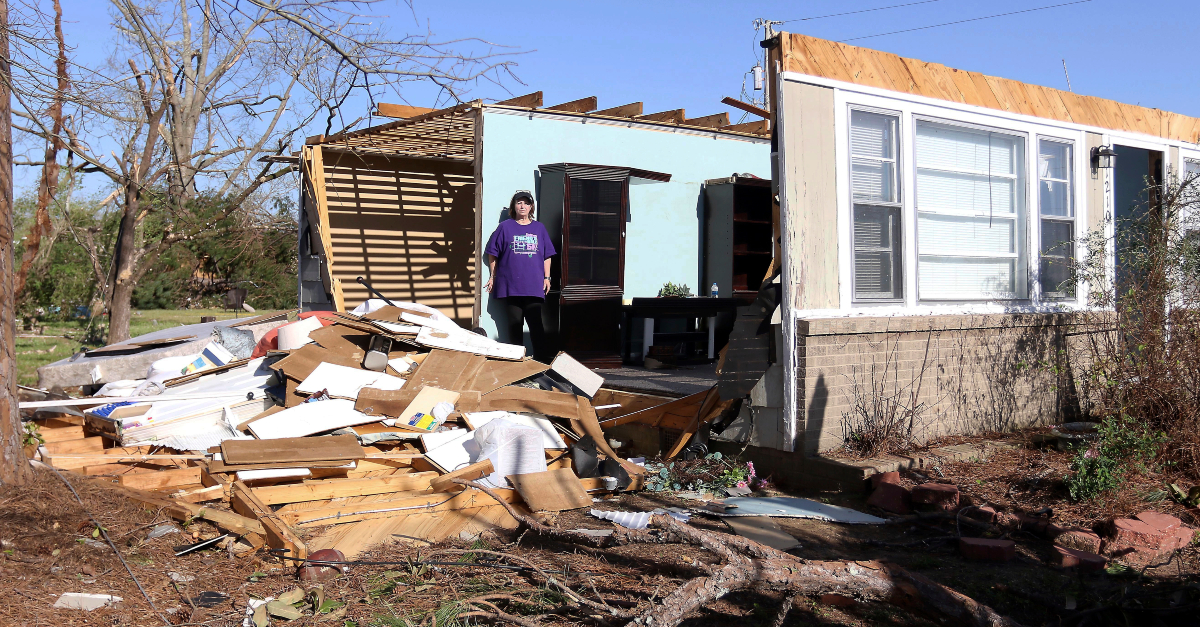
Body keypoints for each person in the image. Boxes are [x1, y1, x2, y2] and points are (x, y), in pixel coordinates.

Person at [484, 190, 556, 361]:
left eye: (526, 203)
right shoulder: (505, 227)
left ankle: (541, 362)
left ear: (531, 207)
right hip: (511, 286)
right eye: (519, 203)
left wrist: (547, 278)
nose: (522, 206)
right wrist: (493, 276)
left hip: (533, 286)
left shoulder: (539, 228)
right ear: (514, 206)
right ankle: (516, 364)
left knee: (536, 325)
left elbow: (547, 255)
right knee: (514, 327)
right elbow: (492, 254)